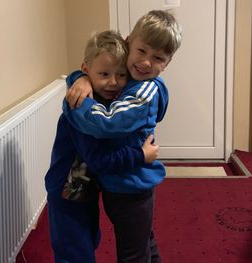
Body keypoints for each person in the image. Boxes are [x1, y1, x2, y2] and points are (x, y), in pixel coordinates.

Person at [63, 10, 182, 263]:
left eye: (158, 57)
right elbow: (97, 72)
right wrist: (81, 78)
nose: (146, 62)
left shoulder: (146, 89)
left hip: (132, 187)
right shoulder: (129, 80)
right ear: (128, 44)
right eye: (142, 51)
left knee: (133, 254)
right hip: (119, 183)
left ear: (167, 63)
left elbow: (106, 124)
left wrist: (74, 103)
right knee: (143, 242)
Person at [45, 30, 159, 263]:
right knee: (74, 252)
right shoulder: (81, 108)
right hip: (67, 191)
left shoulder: (107, 100)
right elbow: (100, 159)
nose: (113, 82)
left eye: (121, 74)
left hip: (84, 189)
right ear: (87, 69)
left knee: (88, 241)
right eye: (104, 74)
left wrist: (81, 77)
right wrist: (139, 155)